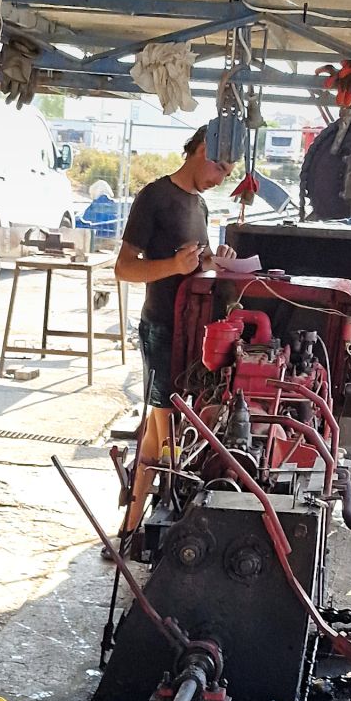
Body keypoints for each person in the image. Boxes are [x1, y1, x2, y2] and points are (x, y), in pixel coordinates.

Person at [113, 126, 233, 530]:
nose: (221, 180)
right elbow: (124, 267)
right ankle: (167, 524)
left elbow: (193, 265)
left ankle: (130, 527)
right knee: (168, 439)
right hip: (161, 328)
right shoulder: (154, 197)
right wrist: (172, 267)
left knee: (159, 431)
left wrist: (214, 262)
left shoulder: (198, 205)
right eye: (220, 167)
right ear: (201, 150)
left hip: (190, 332)